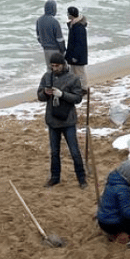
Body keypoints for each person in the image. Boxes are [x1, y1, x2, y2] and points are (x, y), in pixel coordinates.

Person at [37, 53, 88, 188]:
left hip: (68, 120)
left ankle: (82, 179)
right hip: (52, 120)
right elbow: (39, 96)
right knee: (54, 152)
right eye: (52, 66)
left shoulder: (73, 78)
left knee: (74, 151)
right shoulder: (47, 77)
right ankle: (55, 177)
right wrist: (45, 93)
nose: (55, 68)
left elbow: (77, 98)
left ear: (63, 65)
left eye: (57, 66)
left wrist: (62, 94)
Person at [35, 0, 66, 66]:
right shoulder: (54, 21)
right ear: (53, 9)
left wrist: (44, 44)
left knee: (49, 68)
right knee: (59, 68)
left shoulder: (39, 20)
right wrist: (63, 50)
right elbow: (59, 39)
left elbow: (38, 37)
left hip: (46, 49)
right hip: (55, 50)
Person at [64, 6, 89, 83]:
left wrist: (75, 57)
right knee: (73, 73)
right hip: (73, 55)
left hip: (78, 56)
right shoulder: (73, 25)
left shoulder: (79, 27)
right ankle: (76, 87)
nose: (67, 15)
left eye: (68, 13)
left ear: (71, 15)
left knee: (80, 73)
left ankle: (84, 87)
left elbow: (80, 44)